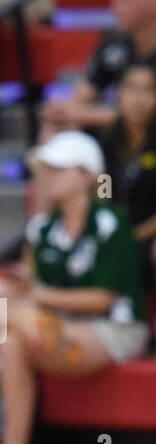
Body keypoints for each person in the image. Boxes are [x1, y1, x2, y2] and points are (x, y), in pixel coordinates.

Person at [0, 131, 149, 444]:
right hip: (57, 329)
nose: (48, 177)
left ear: (86, 175)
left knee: (11, 334)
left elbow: (104, 299)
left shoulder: (111, 223)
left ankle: (38, 333)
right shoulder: (42, 228)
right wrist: (26, 288)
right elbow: (31, 288)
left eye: (58, 170)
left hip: (113, 329)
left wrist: (41, 296)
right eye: (46, 170)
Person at [43, 0, 156, 136]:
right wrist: (63, 113)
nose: (116, 7)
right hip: (119, 134)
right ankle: (40, 155)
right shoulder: (115, 43)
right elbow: (83, 94)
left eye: (126, 2)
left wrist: (88, 116)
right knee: (58, 123)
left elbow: (144, 114)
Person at [99, 63, 156, 288]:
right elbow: (103, 192)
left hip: (148, 234)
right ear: (119, 94)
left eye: (148, 90)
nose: (139, 99)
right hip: (116, 231)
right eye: (131, 89)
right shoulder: (107, 143)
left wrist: (136, 236)